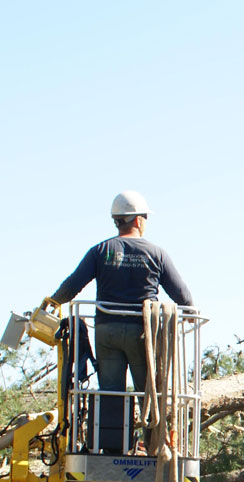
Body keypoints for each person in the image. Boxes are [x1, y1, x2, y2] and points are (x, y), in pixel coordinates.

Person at [50, 191, 194, 452]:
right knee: (148, 392)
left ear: (118, 220)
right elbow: (182, 295)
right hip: (143, 333)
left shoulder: (100, 251)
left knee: (111, 394)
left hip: (107, 331)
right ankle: (154, 446)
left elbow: (72, 284)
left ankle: (113, 447)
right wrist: (191, 314)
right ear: (138, 220)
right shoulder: (156, 253)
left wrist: (51, 304)